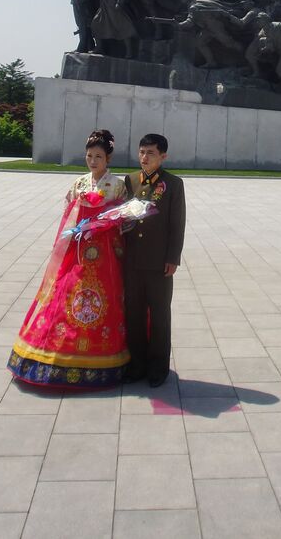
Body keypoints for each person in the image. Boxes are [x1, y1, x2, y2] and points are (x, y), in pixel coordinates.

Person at [7, 129, 130, 389]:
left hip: (105, 253)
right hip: (75, 254)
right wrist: (78, 213)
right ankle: (55, 354)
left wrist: (103, 215)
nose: (93, 161)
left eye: (98, 156)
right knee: (65, 296)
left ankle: (104, 356)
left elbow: (122, 217)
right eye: (89, 156)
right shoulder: (78, 184)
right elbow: (68, 216)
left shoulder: (117, 185)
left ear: (108, 159)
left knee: (104, 299)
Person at [123, 133, 186, 387]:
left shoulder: (173, 184)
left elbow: (177, 224)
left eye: (150, 153)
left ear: (163, 156)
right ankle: (137, 365)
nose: (144, 157)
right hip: (132, 261)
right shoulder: (129, 181)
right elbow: (123, 217)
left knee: (160, 315)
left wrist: (173, 257)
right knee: (134, 314)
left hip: (159, 263)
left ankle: (158, 368)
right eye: (141, 152)